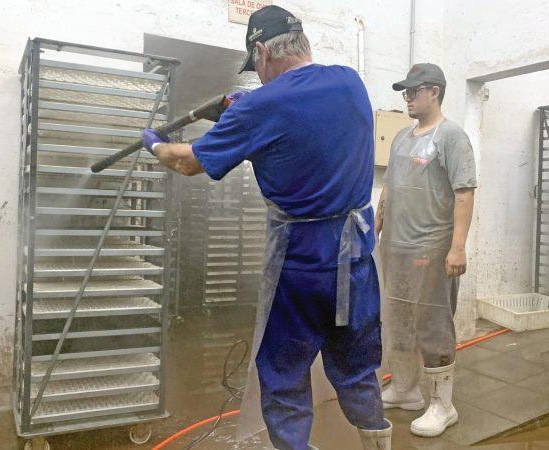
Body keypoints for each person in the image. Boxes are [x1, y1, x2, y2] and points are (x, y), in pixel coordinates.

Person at [141, 5, 392, 450]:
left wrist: (157, 145)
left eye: (255, 65)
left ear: (261, 51)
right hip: (356, 258)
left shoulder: (260, 106)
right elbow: (305, 123)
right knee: (357, 367)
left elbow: (188, 162)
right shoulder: (349, 82)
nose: (257, 75)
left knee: (284, 373)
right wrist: (243, 115)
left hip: (301, 266)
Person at [375, 63, 476, 437]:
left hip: (431, 250)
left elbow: (464, 193)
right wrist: (376, 225)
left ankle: (442, 405)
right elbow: (390, 186)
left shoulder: (452, 137)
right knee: (397, 319)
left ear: (434, 91)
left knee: (432, 324)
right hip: (395, 248)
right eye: (405, 92)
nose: (407, 98)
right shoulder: (402, 137)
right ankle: (405, 388)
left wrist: (457, 248)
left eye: (413, 91)